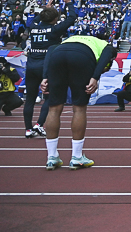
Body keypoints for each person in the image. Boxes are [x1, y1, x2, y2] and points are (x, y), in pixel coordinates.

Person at [40, 35, 117, 170]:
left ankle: (51, 157)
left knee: (54, 108)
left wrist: (45, 76)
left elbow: (51, 49)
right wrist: (95, 77)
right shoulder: (107, 46)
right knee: (79, 108)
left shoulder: (72, 38)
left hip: (57, 56)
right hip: (82, 58)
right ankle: (76, 156)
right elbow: (105, 58)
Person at [24, 0, 76, 138]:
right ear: (55, 19)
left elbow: (35, 20)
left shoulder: (33, 27)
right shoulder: (55, 30)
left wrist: (46, 9)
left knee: (30, 99)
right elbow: (72, 18)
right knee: (50, 98)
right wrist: (69, 3)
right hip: (46, 67)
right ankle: (39, 125)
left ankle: (28, 129)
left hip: (31, 65)